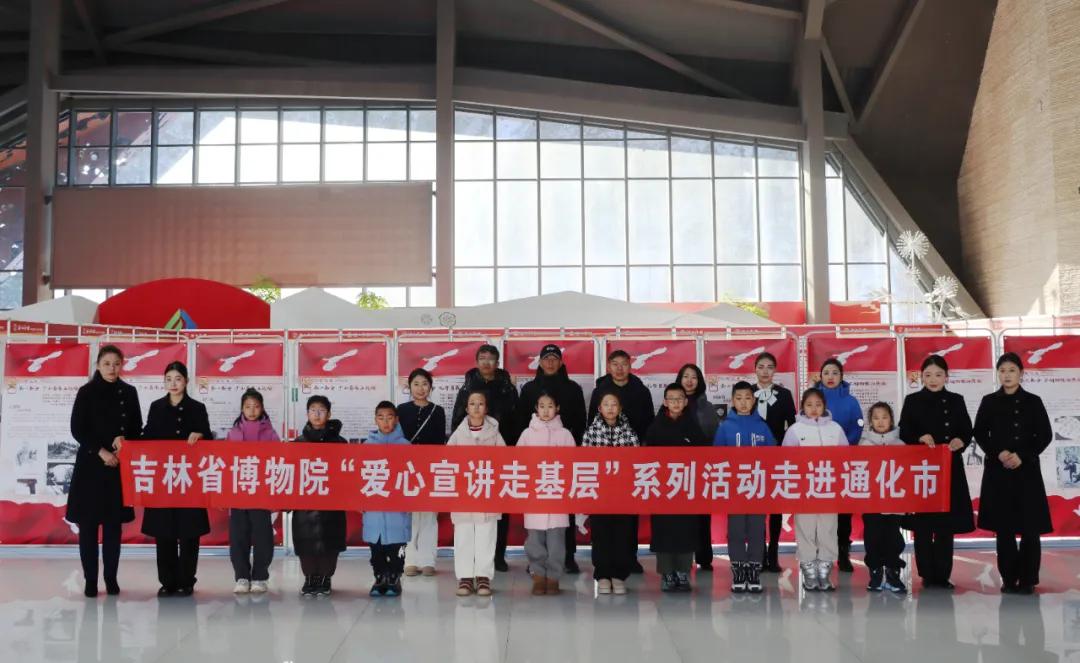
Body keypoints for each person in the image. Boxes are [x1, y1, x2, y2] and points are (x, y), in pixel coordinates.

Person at [973, 352, 1053, 595]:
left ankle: (1028, 579)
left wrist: (1023, 456)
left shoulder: (1033, 401)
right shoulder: (989, 401)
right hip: (998, 472)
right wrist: (998, 453)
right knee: (1004, 528)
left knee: (1030, 528)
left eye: (1011, 370)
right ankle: (1008, 578)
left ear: (1021, 373)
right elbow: (979, 432)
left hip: (1027, 471)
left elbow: (1045, 435)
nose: (1006, 375)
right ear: (998, 374)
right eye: (1002, 371)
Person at [68, 344, 142, 598]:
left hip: (117, 467)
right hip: (90, 466)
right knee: (88, 527)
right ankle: (90, 580)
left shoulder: (129, 392)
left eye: (117, 364)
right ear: (98, 365)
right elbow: (77, 428)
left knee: (113, 527)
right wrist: (101, 451)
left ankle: (111, 578)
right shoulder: (86, 392)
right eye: (107, 364)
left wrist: (125, 443)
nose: (112, 368)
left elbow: (136, 427)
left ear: (122, 366)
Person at [898, 354, 974, 590]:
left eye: (938, 375)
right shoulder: (912, 400)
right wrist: (919, 437)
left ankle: (942, 574)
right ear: (921, 377)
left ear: (946, 377)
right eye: (928, 375)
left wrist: (960, 440)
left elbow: (967, 430)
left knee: (945, 525)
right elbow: (904, 431)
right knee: (923, 525)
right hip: (922, 470)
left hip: (949, 468)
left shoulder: (956, 400)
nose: (933, 379)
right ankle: (926, 574)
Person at [141, 361, 213, 597]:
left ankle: (186, 581)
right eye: (168, 379)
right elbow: (147, 436)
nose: (173, 383)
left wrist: (200, 435)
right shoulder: (156, 407)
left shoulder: (197, 408)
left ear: (186, 381)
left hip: (189, 478)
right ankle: (167, 581)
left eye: (178, 379)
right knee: (164, 531)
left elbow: (208, 438)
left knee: (189, 532)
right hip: (163, 478)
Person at [516, 343, 588, 574]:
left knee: (563, 514)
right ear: (539, 362)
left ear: (561, 362)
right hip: (535, 465)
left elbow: (581, 421)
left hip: (562, 461)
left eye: (554, 358)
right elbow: (521, 421)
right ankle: (536, 562)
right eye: (546, 358)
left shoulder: (573, 388)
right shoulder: (529, 389)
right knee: (536, 517)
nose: (550, 362)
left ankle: (567, 557)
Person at [450, 344, 518, 572]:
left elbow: (516, 420)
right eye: (482, 358)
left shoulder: (507, 387)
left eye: (491, 359)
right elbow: (457, 419)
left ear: (497, 363)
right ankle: (469, 563)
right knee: (469, 510)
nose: (486, 362)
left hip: (498, 453)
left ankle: (497, 556)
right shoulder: (468, 387)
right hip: (470, 457)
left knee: (497, 509)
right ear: (477, 361)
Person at [588, 349, 654, 574]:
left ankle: (629, 557)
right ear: (608, 367)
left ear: (630, 365)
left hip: (632, 458)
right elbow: (591, 422)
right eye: (614, 364)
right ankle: (604, 560)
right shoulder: (600, 390)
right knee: (603, 513)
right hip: (603, 462)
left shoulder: (641, 390)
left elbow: (649, 423)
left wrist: (642, 451)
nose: (619, 368)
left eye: (623, 364)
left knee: (628, 512)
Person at [644, 383, 709, 592]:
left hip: (685, 489)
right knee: (664, 532)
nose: (675, 403)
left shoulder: (692, 425)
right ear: (665, 402)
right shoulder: (656, 426)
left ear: (685, 401)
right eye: (671, 399)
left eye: (679, 399)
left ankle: (682, 571)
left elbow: (704, 454)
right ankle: (667, 573)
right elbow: (646, 457)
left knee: (686, 531)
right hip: (662, 490)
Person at [714, 381, 775, 593]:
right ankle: (739, 571)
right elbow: (717, 458)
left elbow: (773, 456)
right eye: (738, 398)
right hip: (735, 489)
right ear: (732, 401)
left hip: (757, 487)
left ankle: (754, 571)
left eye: (748, 398)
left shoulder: (762, 426)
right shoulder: (725, 427)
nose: (743, 402)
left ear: (754, 400)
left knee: (757, 530)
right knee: (736, 530)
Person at [783, 387, 847, 592]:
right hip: (805, 489)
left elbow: (846, 458)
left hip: (829, 488)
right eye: (809, 405)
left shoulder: (835, 428)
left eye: (818, 405)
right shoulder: (795, 430)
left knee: (828, 529)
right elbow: (786, 460)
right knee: (806, 529)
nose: (813, 409)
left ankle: (825, 572)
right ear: (802, 406)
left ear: (824, 406)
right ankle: (809, 572)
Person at [516, 391, 575, 595]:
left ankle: (554, 577)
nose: (546, 410)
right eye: (542, 406)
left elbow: (572, 464)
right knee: (534, 540)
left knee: (557, 541)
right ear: (536, 409)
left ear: (557, 408)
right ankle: (538, 576)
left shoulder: (565, 434)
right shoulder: (527, 434)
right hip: (535, 494)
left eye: (550, 406)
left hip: (557, 495)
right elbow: (518, 462)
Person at [448, 390, 506, 597]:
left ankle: (483, 576)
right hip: (464, 493)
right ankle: (465, 577)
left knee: (486, 535)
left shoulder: (494, 432)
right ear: (466, 408)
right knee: (463, 535)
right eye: (472, 404)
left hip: (487, 491)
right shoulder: (458, 433)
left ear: (486, 408)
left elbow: (504, 460)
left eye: (480, 404)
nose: (476, 407)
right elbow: (448, 460)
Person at [582, 391, 640, 595]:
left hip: (623, 494)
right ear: (599, 408)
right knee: (601, 535)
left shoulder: (629, 432)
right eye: (606, 404)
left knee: (622, 535)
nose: (610, 408)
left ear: (620, 408)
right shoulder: (590, 433)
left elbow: (636, 462)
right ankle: (603, 575)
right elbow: (585, 463)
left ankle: (619, 575)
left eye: (614, 404)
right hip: (600, 494)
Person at [293, 395, 348, 598]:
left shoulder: (340, 443)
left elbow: (347, 473)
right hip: (305, 503)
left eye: (322, 410)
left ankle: (325, 577)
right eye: (313, 410)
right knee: (305, 540)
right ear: (307, 414)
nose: (317, 414)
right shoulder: (298, 443)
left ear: (329, 414)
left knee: (330, 540)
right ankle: (309, 577)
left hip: (331, 502)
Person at [225, 388, 280, 594]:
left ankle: (260, 577)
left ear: (262, 408)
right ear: (242, 408)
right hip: (238, 493)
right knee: (238, 537)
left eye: (256, 406)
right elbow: (225, 463)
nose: (252, 410)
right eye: (247, 406)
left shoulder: (270, 433)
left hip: (261, 494)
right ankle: (241, 576)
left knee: (263, 537)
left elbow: (278, 461)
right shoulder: (233, 433)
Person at [814, 357, 864, 572]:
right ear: (820, 376)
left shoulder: (851, 401)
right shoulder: (813, 398)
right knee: (821, 509)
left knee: (843, 509)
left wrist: (843, 447)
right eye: (826, 373)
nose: (830, 377)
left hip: (844, 462)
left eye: (835, 373)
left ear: (841, 376)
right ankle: (821, 552)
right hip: (819, 462)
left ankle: (843, 552)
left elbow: (857, 426)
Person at [399, 368, 446, 577]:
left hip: (429, 469)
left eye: (425, 384)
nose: (420, 388)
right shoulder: (401, 410)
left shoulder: (438, 411)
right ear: (409, 387)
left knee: (429, 516)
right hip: (406, 469)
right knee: (409, 516)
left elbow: (439, 443)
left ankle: (428, 560)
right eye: (416, 384)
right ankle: (410, 560)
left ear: (431, 387)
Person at [753, 352, 797, 573]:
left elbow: (793, 425)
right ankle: (759, 554)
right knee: (758, 509)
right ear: (755, 369)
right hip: (752, 460)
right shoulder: (747, 393)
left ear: (775, 370)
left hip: (777, 458)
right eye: (761, 366)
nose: (765, 371)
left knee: (776, 508)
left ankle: (773, 554)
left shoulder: (785, 394)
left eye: (770, 367)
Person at [363, 401, 412, 597]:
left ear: (396, 420)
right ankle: (379, 578)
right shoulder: (367, 446)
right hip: (374, 509)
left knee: (396, 548)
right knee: (376, 549)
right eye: (381, 417)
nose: (385, 421)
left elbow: (412, 477)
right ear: (375, 419)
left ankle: (394, 578)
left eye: (389, 417)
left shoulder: (406, 446)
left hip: (397, 510)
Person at [677, 363, 722, 571]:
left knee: (703, 514)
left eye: (693, 377)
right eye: (685, 376)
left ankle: (704, 557)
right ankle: (683, 558)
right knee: (682, 515)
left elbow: (714, 437)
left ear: (699, 381)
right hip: (678, 468)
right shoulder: (671, 404)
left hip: (702, 467)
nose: (689, 381)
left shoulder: (707, 407)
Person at [859, 402, 907, 593]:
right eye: (876, 418)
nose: (880, 421)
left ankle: (893, 572)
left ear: (891, 420)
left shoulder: (901, 444)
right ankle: (875, 572)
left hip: (894, 501)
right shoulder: (864, 444)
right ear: (870, 421)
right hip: (871, 502)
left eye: (884, 417)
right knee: (872, 537)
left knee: (893, 537)